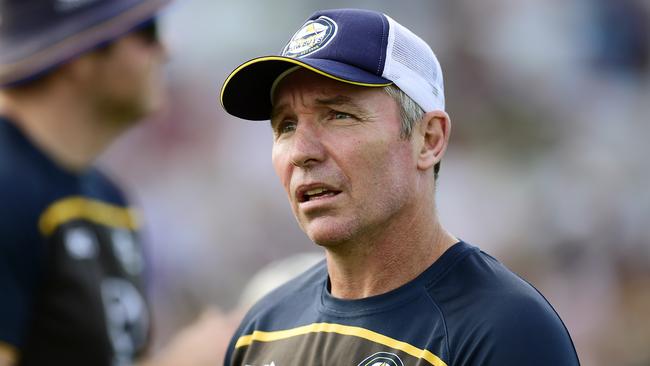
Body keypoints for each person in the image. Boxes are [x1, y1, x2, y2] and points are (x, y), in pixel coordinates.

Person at [219, 8, 580, 365]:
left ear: (429, 139)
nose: (301, 152)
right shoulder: (262, 330)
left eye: (339, 115)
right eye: (285, 125)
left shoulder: (505, 330)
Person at [0, 1, 228, 365]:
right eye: (147, 30)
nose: (168, 49)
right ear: (78, 54)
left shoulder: (109, 197)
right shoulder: (8, 190)